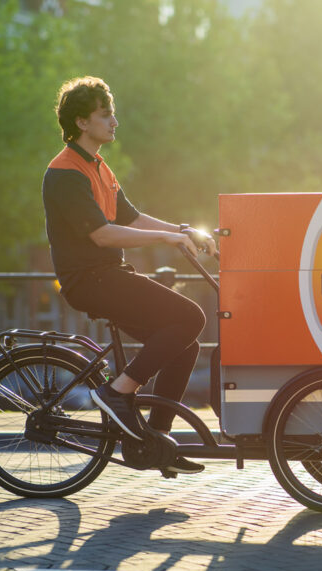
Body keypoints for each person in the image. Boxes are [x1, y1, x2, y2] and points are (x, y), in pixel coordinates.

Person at [42, 76, 216, 474]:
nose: (115, 121)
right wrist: (164, 239)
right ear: (83, 123)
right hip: (90, 280)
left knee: (184, 341)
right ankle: (117, 392)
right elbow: (102, 234)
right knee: (192, 318)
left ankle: (153, 444)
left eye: (113, 113)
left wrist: (182, 231)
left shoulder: (98, 166)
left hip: (108, 274)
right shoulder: (65, 172)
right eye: (106, 115)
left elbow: (130, 217)